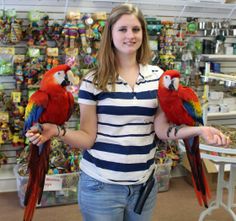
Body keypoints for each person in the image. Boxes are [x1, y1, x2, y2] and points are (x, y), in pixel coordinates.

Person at [26, 3, 231, 221]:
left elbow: (161, 130)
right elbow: (87, 137)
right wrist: (57, 131)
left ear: (143, 33)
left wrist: (198, 130)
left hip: (144, 184)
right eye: (122, 29)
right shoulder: (92, 80)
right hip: (100, 186)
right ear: (110, 34)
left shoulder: (158, 77)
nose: (130, 35)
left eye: (136, 29)